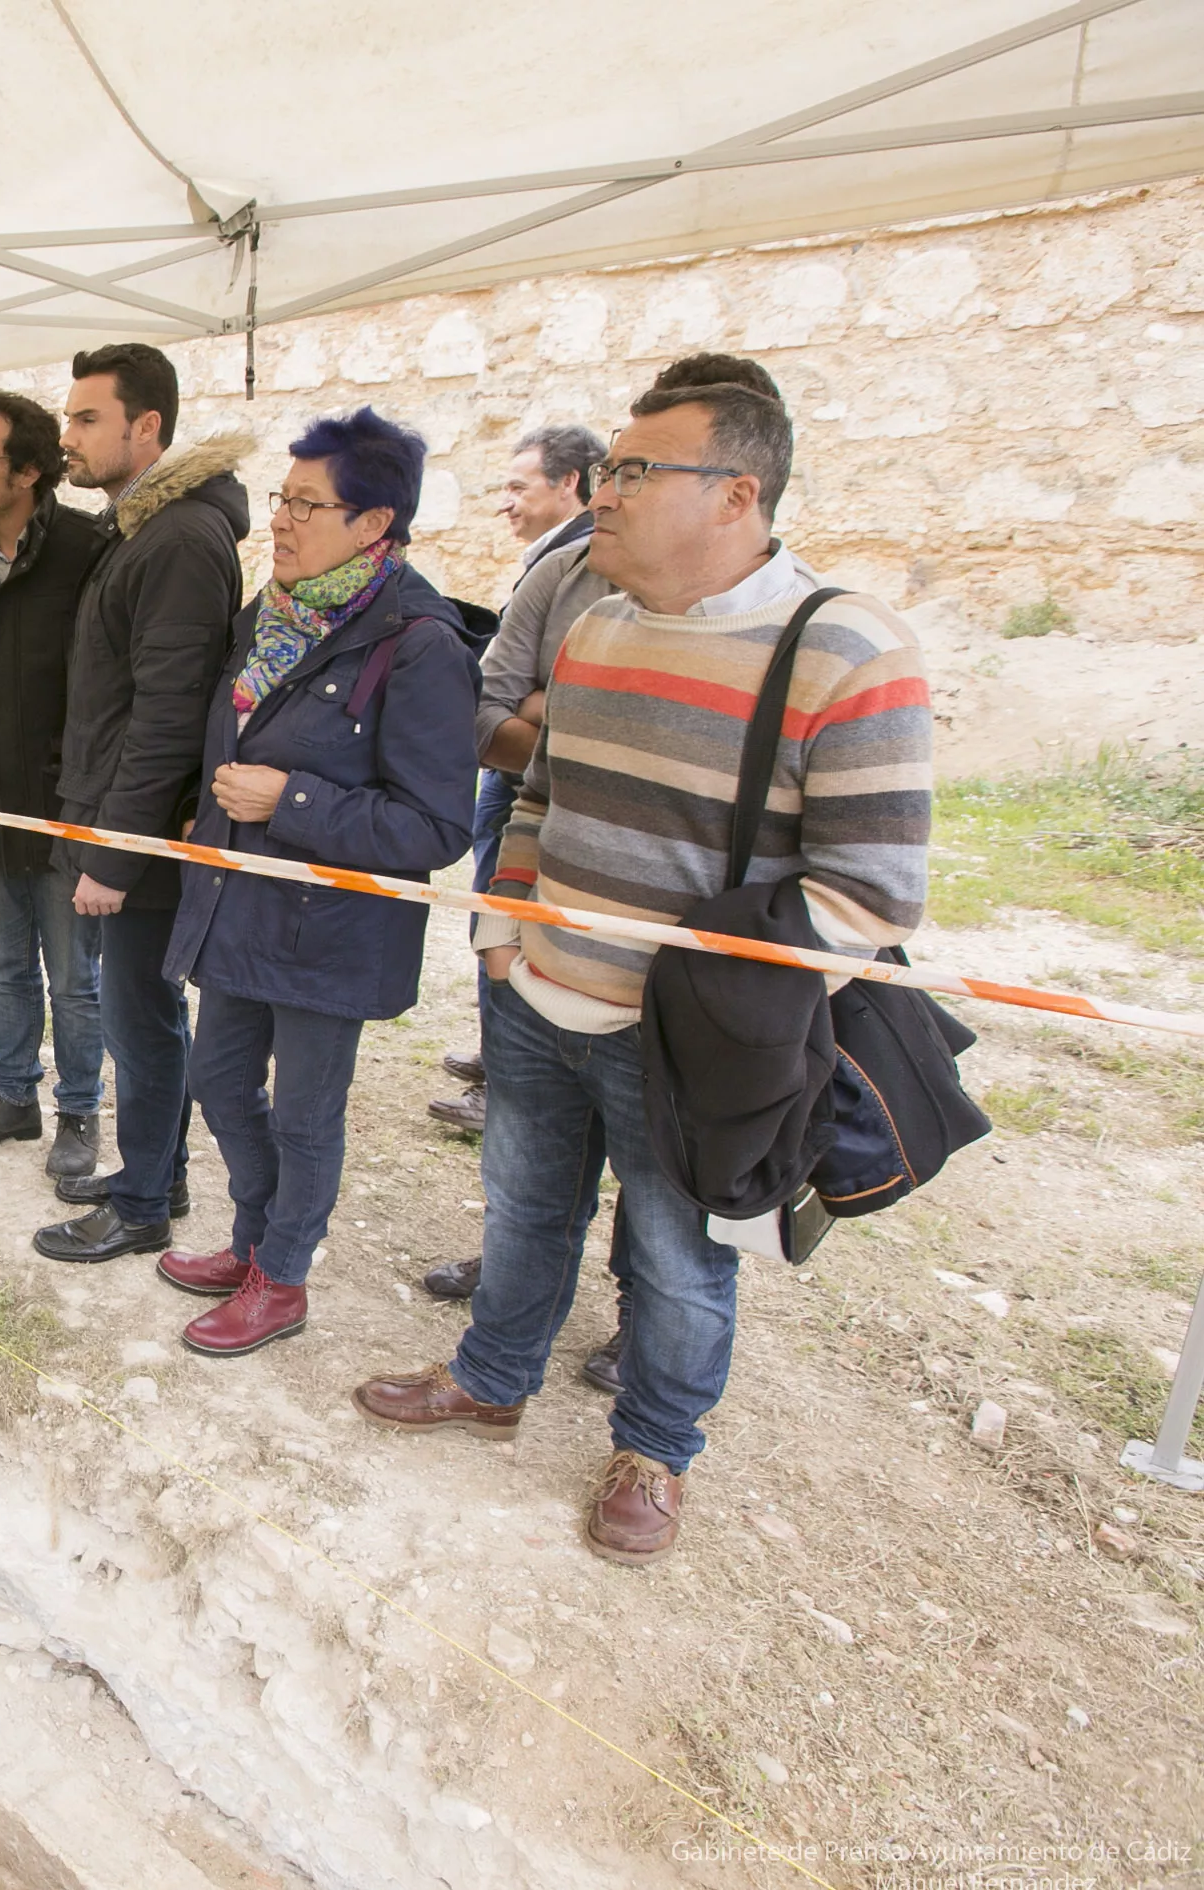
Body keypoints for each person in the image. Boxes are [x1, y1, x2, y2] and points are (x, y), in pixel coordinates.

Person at [353, 360, 933, 1568]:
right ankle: (493, 1379)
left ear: (738, 494)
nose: (600, 494)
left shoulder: (848, 648)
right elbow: (536, 796)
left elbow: (870, 892)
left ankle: (656, 1450)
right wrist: (505, 933)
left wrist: (718, 1002)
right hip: (538, 997)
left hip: (689, 1039)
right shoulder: (600, 625)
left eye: (631, 472)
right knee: (522, 1209)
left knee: (676, 1258)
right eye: (606, 470)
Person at [152, 411, 476, 1356]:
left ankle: (282, 1276)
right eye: (281, 499)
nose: (280, 521)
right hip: (237, 905)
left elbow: (436, 826)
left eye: (305, 504)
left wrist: (289, 799)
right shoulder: (272, 615)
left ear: (373, 523)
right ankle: (252, 1239)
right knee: (215, 1080)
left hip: (329, 929)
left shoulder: (417, 644)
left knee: (303, 1113)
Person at [34, 344, 250, 1264]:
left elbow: (165, 716)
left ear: (146, 427)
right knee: (144, 1013)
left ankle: (140, 1203)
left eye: (86, 419)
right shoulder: (143, 529)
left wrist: (113, 855)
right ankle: (159, 1172)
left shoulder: (177, 540)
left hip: (141, 834)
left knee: (141, 1018)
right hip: (122, 819)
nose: (66, 439)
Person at [0, 390, 106, 1178]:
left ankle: (78, 1111)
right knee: (4, 969)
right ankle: (12, 1098)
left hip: (67, 806)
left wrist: (87, 798)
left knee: (74, 981)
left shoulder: (89, 550)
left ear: (29, 471)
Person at [428, 421, 603, 1136]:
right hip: (514, 776)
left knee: (510, 925)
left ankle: (505, 1080)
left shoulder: (584, 567)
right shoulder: (553, 564)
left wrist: (533, 706)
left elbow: (572, 700)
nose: (504, 502)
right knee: (492, 921)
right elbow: (491, 702)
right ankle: (498, 1059)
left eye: (517, 485)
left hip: (535, 785)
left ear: (570, 483)